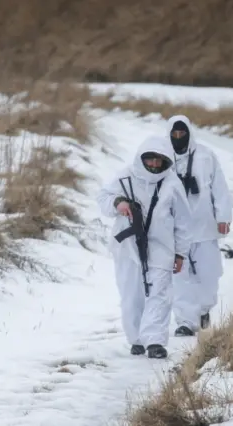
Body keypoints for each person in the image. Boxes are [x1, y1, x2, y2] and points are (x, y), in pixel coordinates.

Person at [96, 135, 193, 359]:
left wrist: (181, 252)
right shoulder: (126, 176)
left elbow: (183, 222)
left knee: (160, 293)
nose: (154, 165)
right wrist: (118, 203)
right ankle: (137, 338)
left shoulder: (171, 183)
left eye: (160, 161)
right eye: (150, 159)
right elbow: (103, 197)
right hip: (127, 246)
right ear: (142, 158)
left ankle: (155, 341)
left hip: (162, 246)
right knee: (132, 295)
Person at [166, 114, 233, 337]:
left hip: (204, 226)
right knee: (180, 276)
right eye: (174, 134)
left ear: (188, 133)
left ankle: (204, 310)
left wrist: (223, 216)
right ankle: (186, 321)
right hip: (175, 230)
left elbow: (219, 187)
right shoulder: (163, 156)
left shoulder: (205, 156)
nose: (178, 137)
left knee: (209, 273)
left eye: (181, 133)